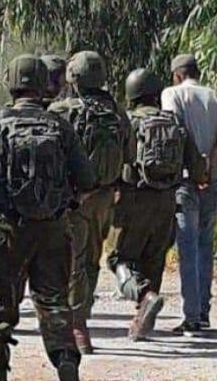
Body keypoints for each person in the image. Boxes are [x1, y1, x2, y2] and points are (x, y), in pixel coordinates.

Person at [0, 54, 95, 381]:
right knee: (54, 303)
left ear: (11, 83)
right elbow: (87, 180)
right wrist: (66, 205)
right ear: (43, 84)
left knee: (0, 306)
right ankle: (66, 361)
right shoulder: (60, 127)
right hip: (54, 229)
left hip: (11, 229)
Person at [108, 68, 206, 341]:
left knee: (119, 259)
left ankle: (144, 296)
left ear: (131, 94)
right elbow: (198, 171)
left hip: (133, 201)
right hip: (167, 203)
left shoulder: (127, 122)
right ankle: (141, 322)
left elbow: (114, 163)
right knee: (154, 260)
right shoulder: (175, 123)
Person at [48, 50, 132, 353]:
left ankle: (75, 325)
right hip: (105, 197)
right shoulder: (117, 112)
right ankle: (81, 320)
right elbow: (130, 156)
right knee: (91, 261)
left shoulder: (61, 111)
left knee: (73, 260)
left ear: (73, 76)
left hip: (74, 198)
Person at [162, 54, 217, 335]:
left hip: (186, 179)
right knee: (206, 242)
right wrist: (212, 162)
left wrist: (197, 168)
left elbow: (176, 129)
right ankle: (203, 312)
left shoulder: (172, 94)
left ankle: (191, 316)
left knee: (188, 246)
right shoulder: (216, 96)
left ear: (177, 75)